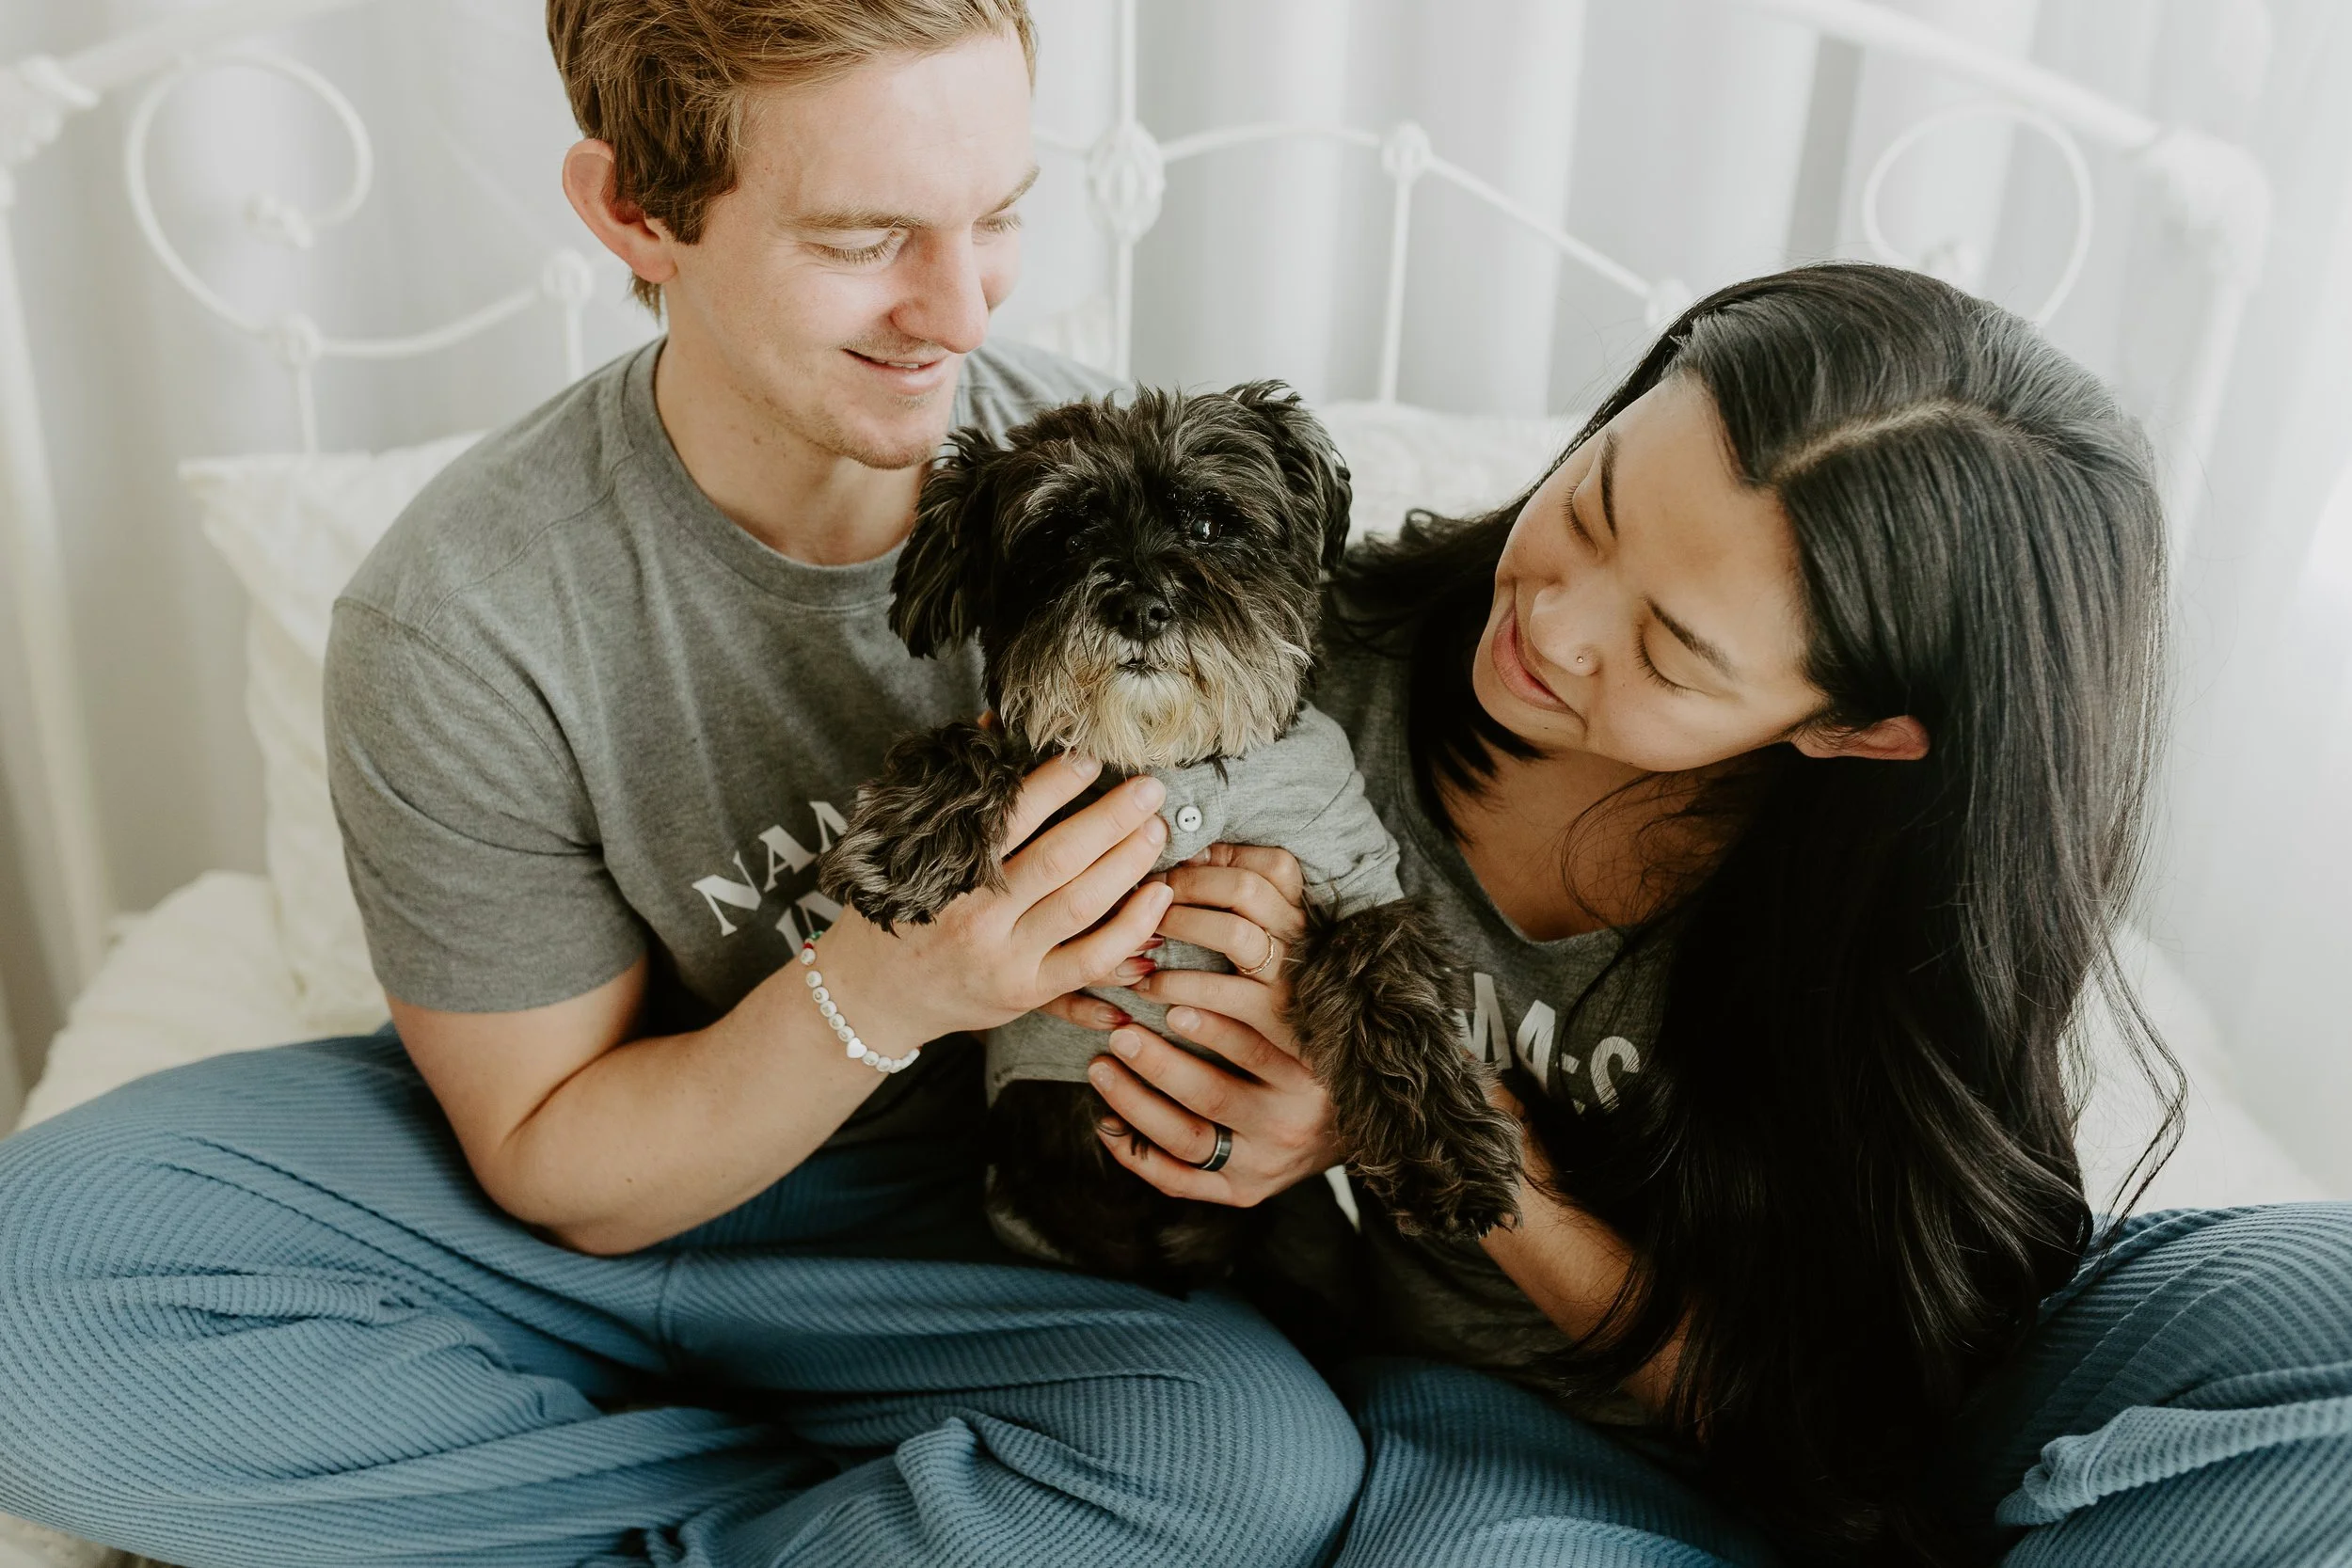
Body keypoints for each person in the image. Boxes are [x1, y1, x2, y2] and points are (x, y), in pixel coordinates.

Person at [0, 3, 1363, 1565]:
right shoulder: (462, 606)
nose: (960, 311)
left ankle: (576, 1499)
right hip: (569, 1194)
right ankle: (822, 1504)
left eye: (997, 217)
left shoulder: (1113, 504)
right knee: (20, 1293)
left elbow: (1353, 855)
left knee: (1255, 1462)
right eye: (864, 238)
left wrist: (1306, 1090)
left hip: (963, 1235)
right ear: (632, 210)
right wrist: (897, 983)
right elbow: (548, 1159)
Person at [1077, 265, 2352, 1564]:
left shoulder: (1878, 940)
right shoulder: (1300, 669)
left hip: (1835, 1444)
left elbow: (1850, 1420)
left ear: (1856, 729)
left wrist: (1424, 1125)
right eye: (1593, 503)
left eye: (1673, 653)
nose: (1554, 622)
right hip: (1514, 1443)